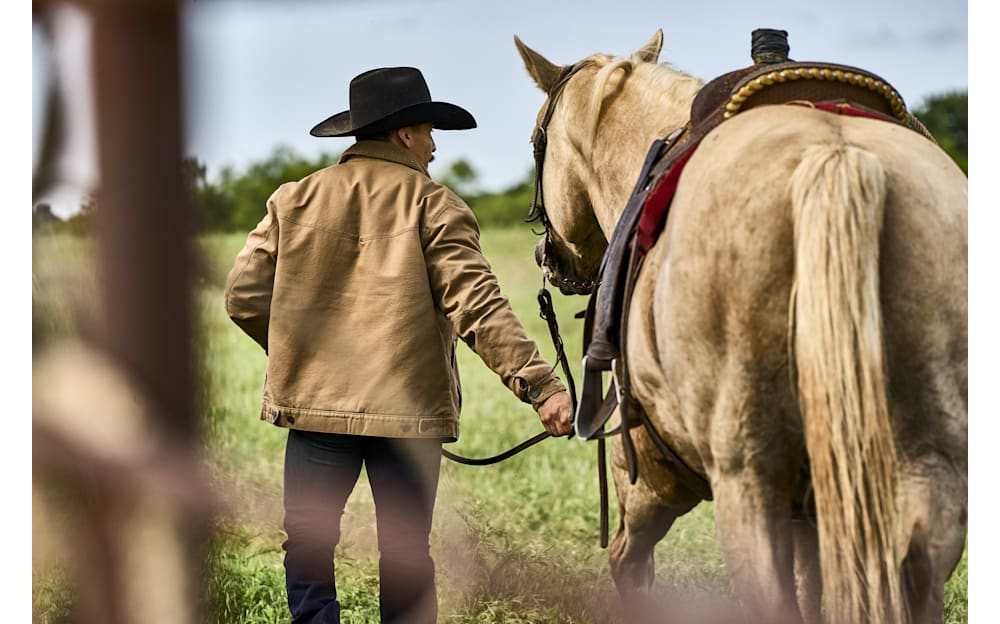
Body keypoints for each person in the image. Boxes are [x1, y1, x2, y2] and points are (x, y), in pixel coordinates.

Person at [224, 66, 575, 624]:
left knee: (309, 547)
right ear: (404, 134)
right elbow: (478, 304)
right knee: (407, 553)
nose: (435, 147)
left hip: (315, 414)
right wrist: (543, 387)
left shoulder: (293, 199)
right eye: (431, 131)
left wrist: (309, 357)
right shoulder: (435, 205)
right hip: (406, 416)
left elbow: (243, 294)